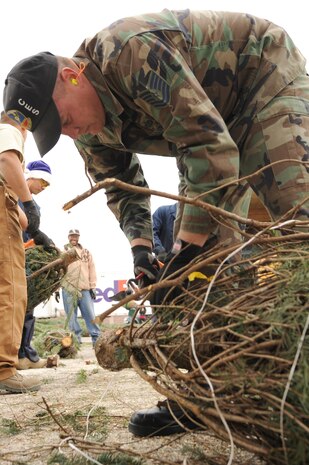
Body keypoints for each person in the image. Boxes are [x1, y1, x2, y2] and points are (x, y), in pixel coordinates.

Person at [3, 9, 309, 431]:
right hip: (204, 133)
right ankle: (209, 396)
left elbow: (207, 144)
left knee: (298, 219)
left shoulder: (129, 53)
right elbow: (121, 188)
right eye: (59, 131)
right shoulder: (88, 131)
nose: (70, 132)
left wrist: (185, 245)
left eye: (65, 120)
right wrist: (143, 251)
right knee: (203, 268)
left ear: (72, 76)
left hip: (262, 81)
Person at [0, 111, 52, 393]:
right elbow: (7, 160)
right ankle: (4, 370)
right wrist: (29, 201)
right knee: (11, 288)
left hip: (7, 212)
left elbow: (18, 215)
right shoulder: (9, 129)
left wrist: (35, 230)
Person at [17, 160, 52, 370]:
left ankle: (25, 354)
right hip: (10, 255)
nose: (44, 188)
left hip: (25, 259)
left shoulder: (34, 205)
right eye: (44, 182)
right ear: (32, 176)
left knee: (28, 305)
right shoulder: (13, 192)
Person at [61, 229, 101, 347]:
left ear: (78, 237)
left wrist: (93, 287)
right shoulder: (63, 252)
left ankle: (97, 341)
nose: (74, 238)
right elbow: (58, 271)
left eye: (76, 236)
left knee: (91, 316)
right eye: (71, 236)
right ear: (68, 237)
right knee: (71, 318)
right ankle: (75, 344)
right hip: (68, 289)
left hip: (85, 290)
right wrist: (58, 289)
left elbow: (92, 269)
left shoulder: (86, 252)